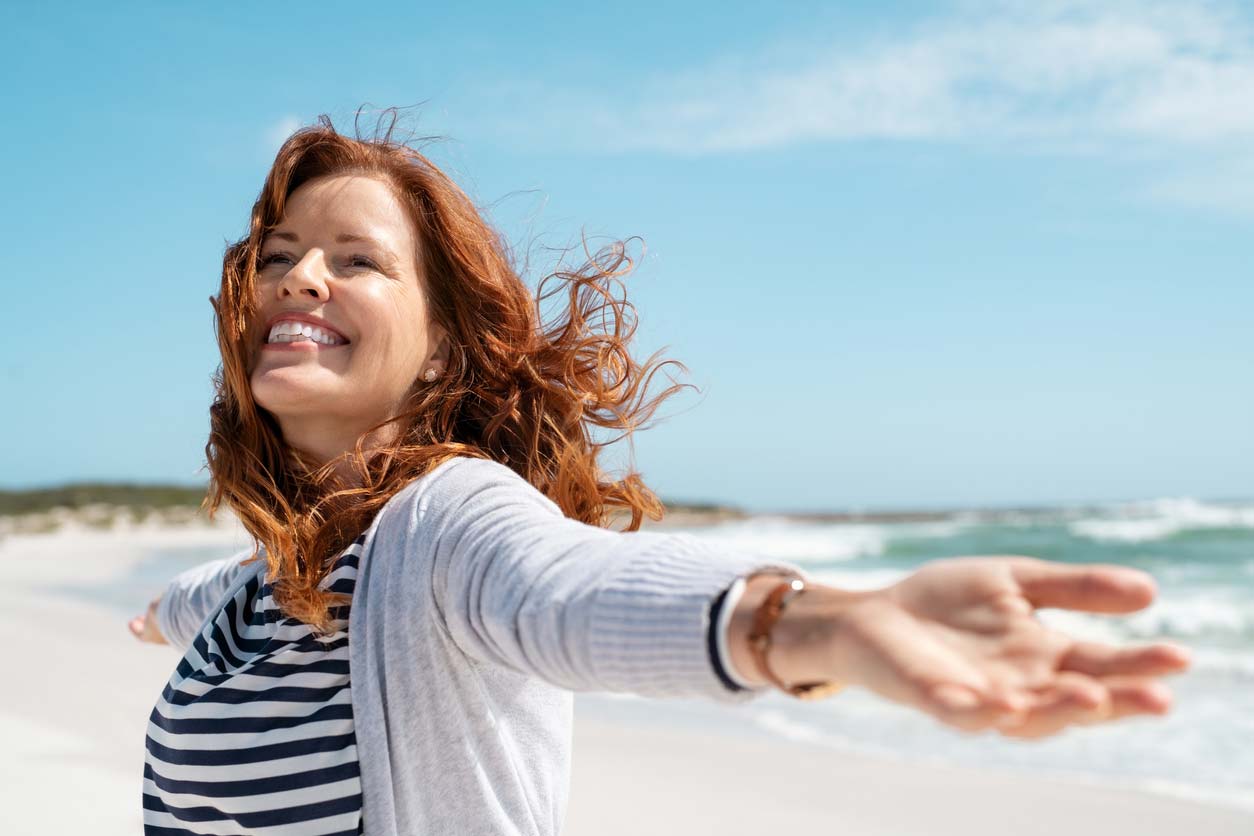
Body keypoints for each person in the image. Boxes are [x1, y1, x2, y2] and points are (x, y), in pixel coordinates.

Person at [128, 110, 1192, 836]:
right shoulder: (265, 579)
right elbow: (204, 595)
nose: (299, 274)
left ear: (445, 348)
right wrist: (157, 612)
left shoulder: (446, 525)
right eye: (276, 255)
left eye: (354, 258)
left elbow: (570, 590)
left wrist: (808, 625)